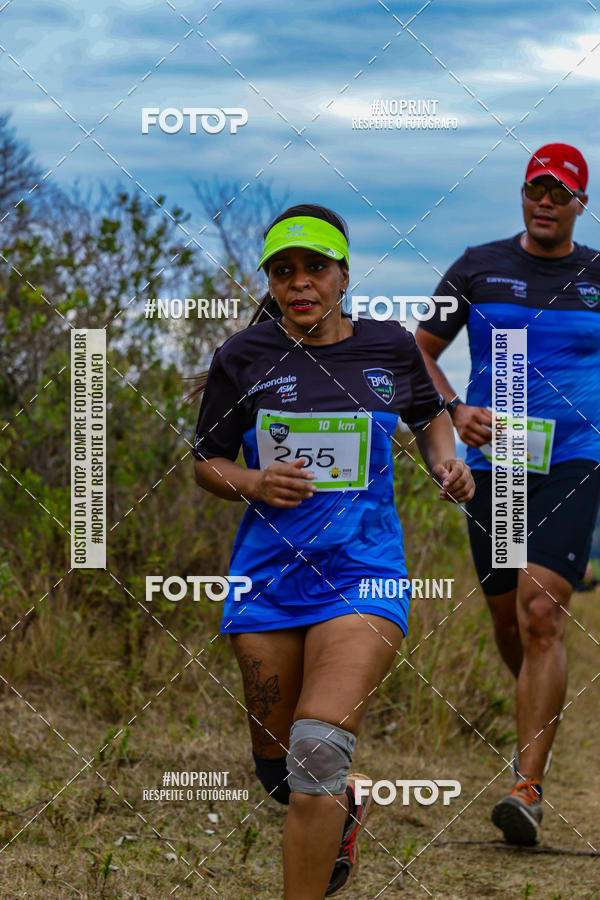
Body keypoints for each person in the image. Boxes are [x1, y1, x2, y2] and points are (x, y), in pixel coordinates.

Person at [192, 203, 474, 898]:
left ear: (344, 273)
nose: (300, 283)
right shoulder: (243, 357)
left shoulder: (386, 347)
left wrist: (447, 462)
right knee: (280, 769)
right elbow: (206, 463)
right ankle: (342, 808)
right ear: (271, 281)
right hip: (267, 580)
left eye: (316, 267)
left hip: (364, 573)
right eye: (284, 270)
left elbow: (429, 415)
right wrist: (255, 480)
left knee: (317, 751)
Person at [415, 143, 600, 846]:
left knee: (543, 609)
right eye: (535, 188)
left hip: (576, 459)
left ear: (581, 203)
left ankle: (528, 783)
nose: (545, 200)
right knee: (509, 620)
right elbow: (420, 351)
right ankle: (540, 708)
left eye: (560, 191)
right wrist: (456, 409)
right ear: (523, 195)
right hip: (499, 461)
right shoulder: (476, 266)